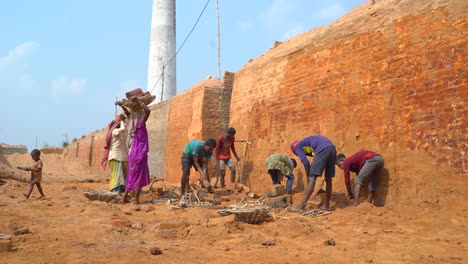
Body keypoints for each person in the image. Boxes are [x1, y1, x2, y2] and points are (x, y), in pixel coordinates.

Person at [290, 135, 336, 211]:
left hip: (323, 149)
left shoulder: (297, 147)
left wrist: (309, 177)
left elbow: (306, 163)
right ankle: (326, 206)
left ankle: (301, 206)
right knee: (328, 178)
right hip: (332, 149)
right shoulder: (307, 142)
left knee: (312, 178)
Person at [121, 96, 151, 204]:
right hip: (140, 153)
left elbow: (129, 116)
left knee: (131, 176)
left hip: (132, 153)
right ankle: (136, 200)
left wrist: (123, 107)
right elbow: (148, 111)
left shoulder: (131, 125)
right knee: (139, 176)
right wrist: (138, 101)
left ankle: (124, 197)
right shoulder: (140, 124)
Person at [101, 114, 128, 194]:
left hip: (123, 156)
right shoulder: (115, 132)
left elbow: (125, 128)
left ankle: (123, 191)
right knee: (117, 176)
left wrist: (122, 120)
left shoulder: (122, 132)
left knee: (124, 175)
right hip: (115, 157)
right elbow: (123, 128)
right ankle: (116, 191)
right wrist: (122, 121)